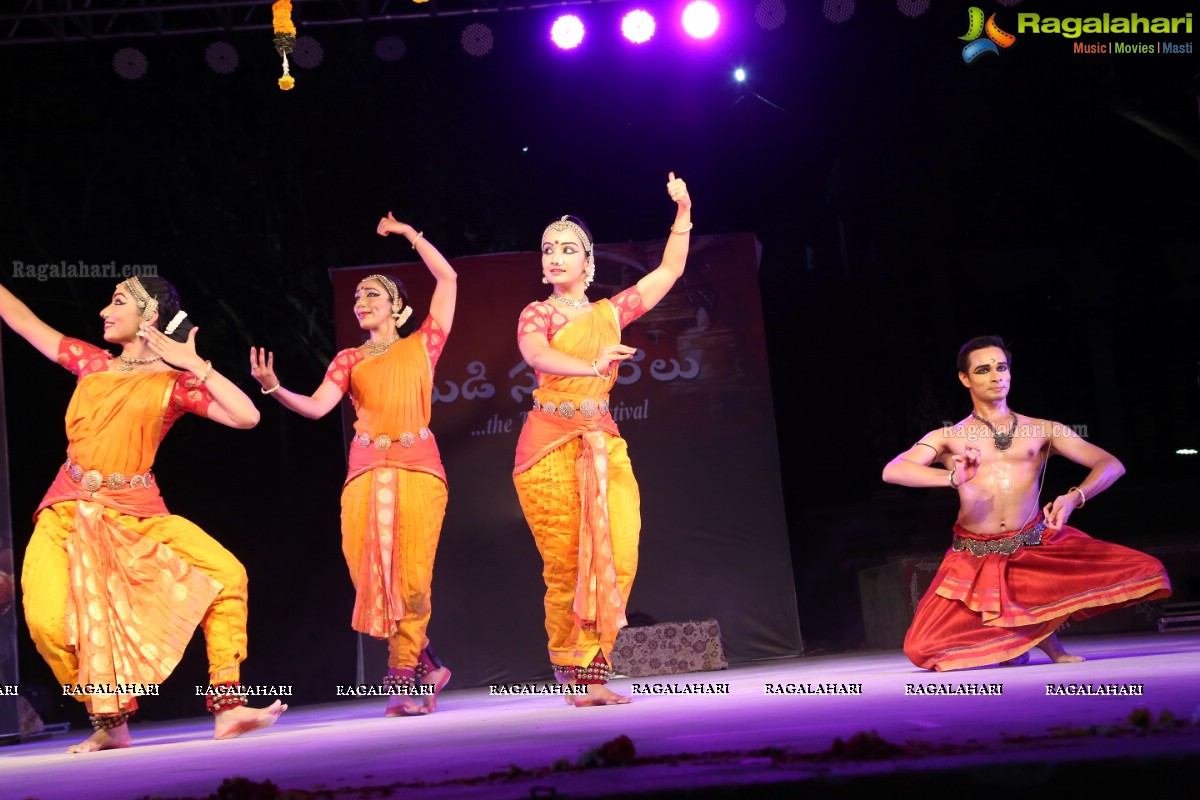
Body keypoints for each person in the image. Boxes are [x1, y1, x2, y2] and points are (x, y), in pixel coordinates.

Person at [0, 276, 286, 753]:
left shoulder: (173, 384)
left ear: (149, 317)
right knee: (47, 624)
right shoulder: (91, 364)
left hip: (137, 512)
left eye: (117, 302)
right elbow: (23, 320)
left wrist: (197, 365)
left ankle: (228, 706)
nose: (104, 312)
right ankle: (110, 720)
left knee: (226, 574)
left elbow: (246, 416)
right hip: (66, 513)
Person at [251, 214, 455, 716]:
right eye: (357, 297)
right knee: (373, 580)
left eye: (373, 296)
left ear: (399, 309)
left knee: (411, 578)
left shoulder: (422, 345)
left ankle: (405, 676)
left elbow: (447, 279)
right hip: (364, 475)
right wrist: (275, 389)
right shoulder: (347, 359)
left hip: (418, 469)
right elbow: (319, 407)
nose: (361, 303)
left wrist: (411, 236)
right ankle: (427, 664)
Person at [882, 335, 1172, 671]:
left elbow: (1111, 464)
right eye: (983, 370)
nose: (996, 376)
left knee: (1147, 570)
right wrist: (951, 479)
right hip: (972, 555)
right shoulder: (948, 437)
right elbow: (894, 471)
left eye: (1001, 367)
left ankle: (1035, 643)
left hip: (1033, 546)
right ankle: (1011, 643)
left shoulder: (1043, 429)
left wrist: (1073, 496)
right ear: (965, 379)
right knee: (920, 649)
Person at [513, 172, 693, 705]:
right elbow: (536, 356)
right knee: (568, 561)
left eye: (568, 249)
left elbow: (670, 270)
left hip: (602, 442)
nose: (555, 257)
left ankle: (594, 668)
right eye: (548, 249)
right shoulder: (537, 312)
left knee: (617, 552)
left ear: (588, 263)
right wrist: (590, 362)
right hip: (548, 446)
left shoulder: (610, 312)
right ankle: (578, 676)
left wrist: (682, 214)